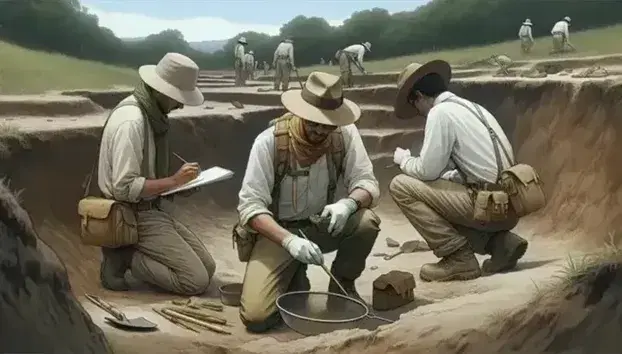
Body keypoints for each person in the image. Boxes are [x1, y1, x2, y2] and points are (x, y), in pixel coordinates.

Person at [236, 71, 381, 332]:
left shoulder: (345, 135)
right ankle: (293, 276)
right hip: (279, 233)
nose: (320, 129)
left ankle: (343, 285)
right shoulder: (269, 142)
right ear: (300, 112)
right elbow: (250, 207)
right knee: (256, 318)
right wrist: (289, 241)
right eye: (313, 122)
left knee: (366, 221)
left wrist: (347, 205)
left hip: (322, 225)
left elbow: (368, 184)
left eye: (328, 124)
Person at [388, 60, 528, 283]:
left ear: (418, 96)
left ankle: (457, 258)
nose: (418, 112)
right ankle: (501, 244)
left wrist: (404, 160)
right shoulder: (471, 107)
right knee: (441, 188)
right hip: (511, 203)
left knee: (401, 186)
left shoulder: (439, 113)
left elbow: (426, 170)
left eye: (415, 104)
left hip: (489, 207)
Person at [97, 53, 216, 295]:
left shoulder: (151, 115)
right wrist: (173, 181)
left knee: (209, 267)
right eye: (178, 99)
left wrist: (180, 185)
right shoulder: (132, 122)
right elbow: (124, 188)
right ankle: (125, 256)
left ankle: (138, 257)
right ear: (162, 91)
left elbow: (146, 178)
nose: (181, 105)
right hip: (131, 214)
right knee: (195, 281)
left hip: (150, 209)